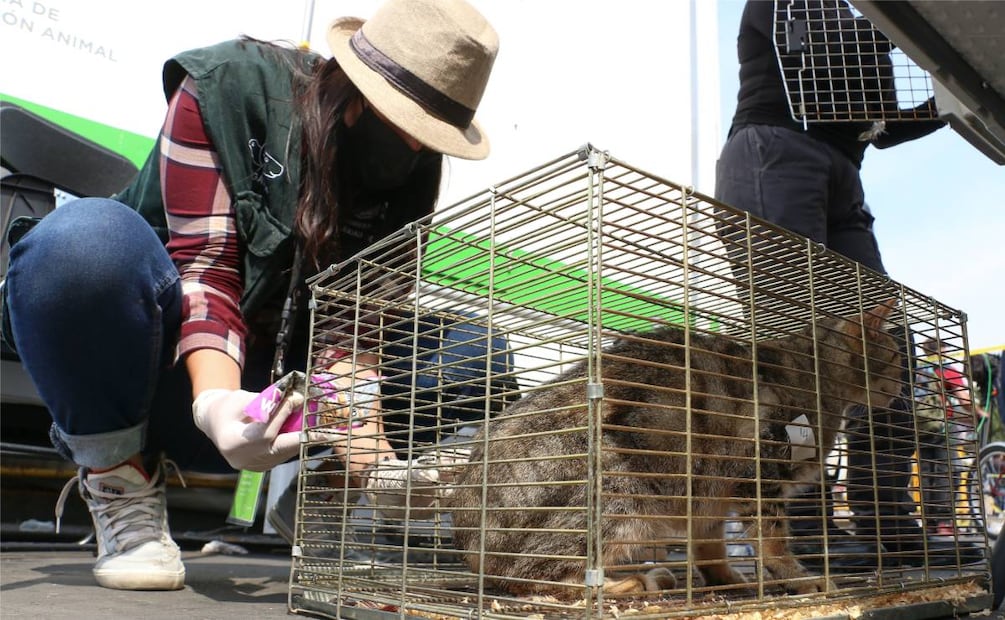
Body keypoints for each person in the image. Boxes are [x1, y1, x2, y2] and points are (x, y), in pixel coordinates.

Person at [0, 0, 499, 591]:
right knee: (81, 241)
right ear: (355, 92)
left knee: (475, 350)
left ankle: (328, 500)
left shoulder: (409, 183)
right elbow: (206, 270)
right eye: (403, 127)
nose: (414, 153)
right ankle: (120, 480)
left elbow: (355, 332)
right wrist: (216, 406)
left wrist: (378, 468)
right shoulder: (228, 88)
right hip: (157, 372)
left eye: (429, 139)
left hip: (280, 410)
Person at [714, 0, 981, 569]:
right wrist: (908, 27)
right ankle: (803, 525)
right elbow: (824, 42)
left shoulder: (865, 24)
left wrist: (949, 104)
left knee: (890, 348)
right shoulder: (791, 5)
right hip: (775, 149)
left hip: (842, 170)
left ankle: (884, 517)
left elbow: (880, 129)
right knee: (794, 351)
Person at [914, 338, 980, 536]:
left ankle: (930, 524)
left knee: (926, 473)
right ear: (942, 349)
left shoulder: (919, 370)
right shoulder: (946, 368)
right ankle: (945, 522)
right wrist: (980, 414)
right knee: (949, 470)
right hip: (943, 427)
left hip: (921, 426)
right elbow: (964, 400)